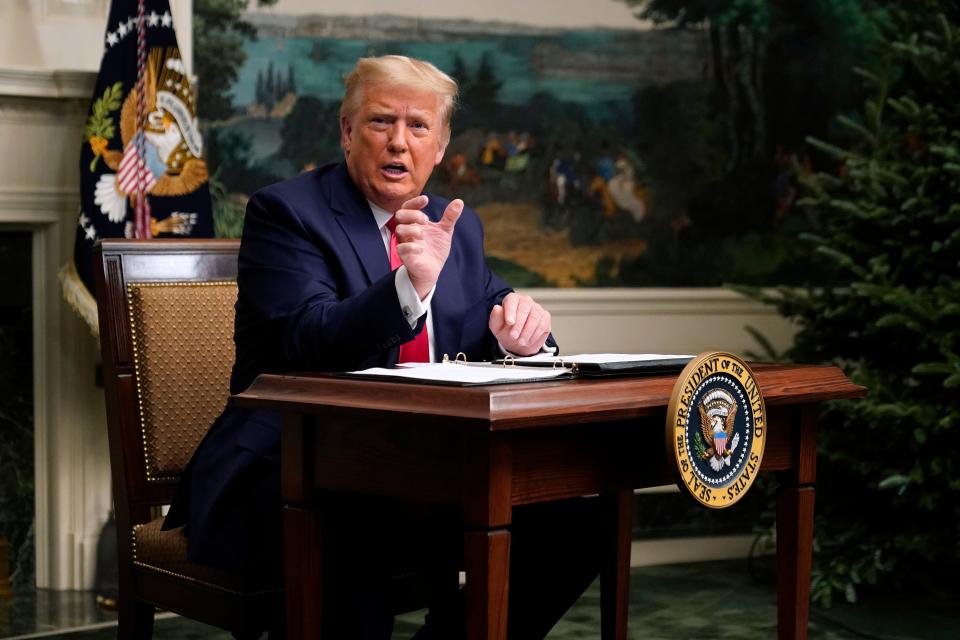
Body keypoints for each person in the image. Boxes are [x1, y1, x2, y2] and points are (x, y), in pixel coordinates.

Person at [164, 55, 601, 639]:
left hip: (423, 472)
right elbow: (307, 336)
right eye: (380, 122)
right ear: (347, 132)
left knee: (575, 522)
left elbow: (498, 312)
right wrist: (408, 286)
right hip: (289, 466)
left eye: (418, 126)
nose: (399, 142)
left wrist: (526, 338)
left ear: (441, 146)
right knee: (355, 519)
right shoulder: (288, 212)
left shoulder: (456, 225)